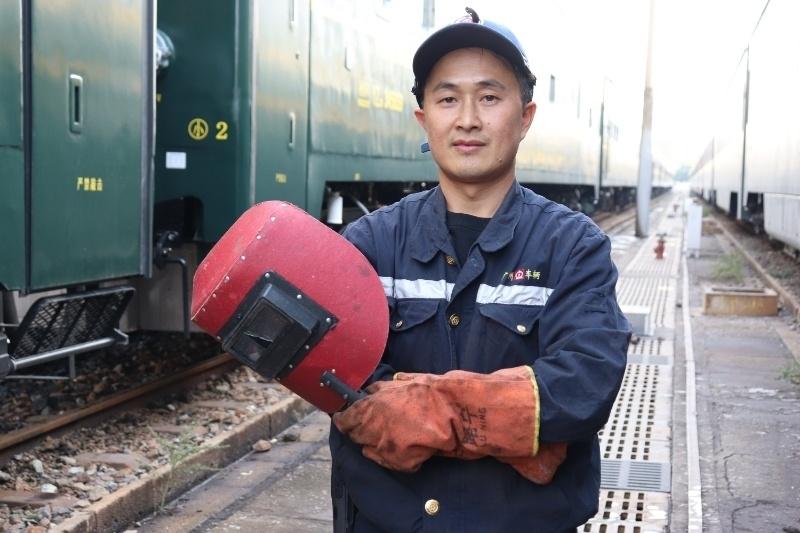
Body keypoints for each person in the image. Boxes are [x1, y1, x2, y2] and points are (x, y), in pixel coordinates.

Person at [330, 8, 631, 533]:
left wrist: (430, 414)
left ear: (526, 117)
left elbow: (585, 384)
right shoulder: (369, 244)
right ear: (424, 119)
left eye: (489, 98)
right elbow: (337, 378)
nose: (467, 119)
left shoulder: (573, 248)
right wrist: (513, 426)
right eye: (447, 99)